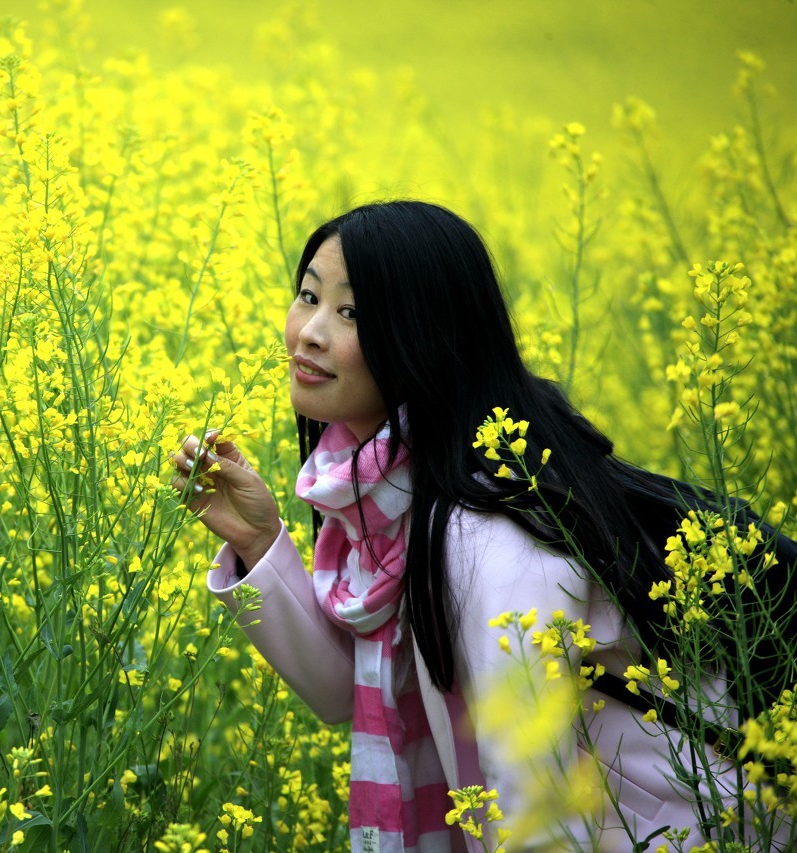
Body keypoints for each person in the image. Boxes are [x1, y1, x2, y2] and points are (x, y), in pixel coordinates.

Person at [168, 201, 768, 851]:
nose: (309, 332)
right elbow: (350, 690)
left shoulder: (489, 535)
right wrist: (258, 544)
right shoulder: (399, 491)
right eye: (308, 296)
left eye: (352, 313)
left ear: (424, 337)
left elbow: (530, 806)